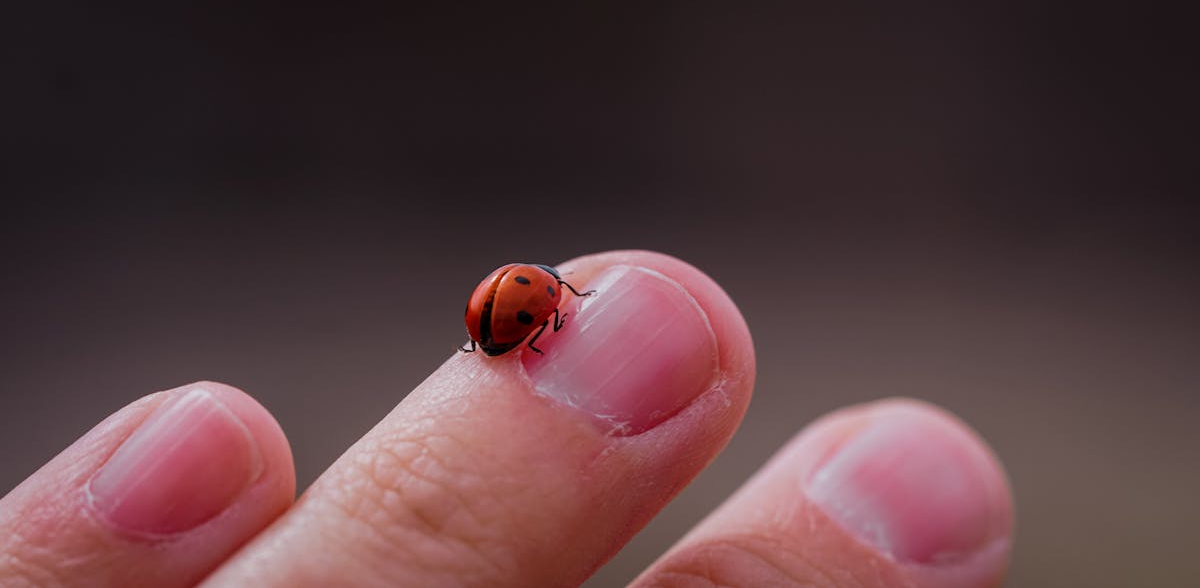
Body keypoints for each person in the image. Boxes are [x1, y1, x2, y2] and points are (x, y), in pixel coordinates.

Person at [0, 250, 1012, 587]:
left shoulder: (530, 300)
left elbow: (519, 315)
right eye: (553, 314)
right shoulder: (541, 300)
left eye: (551, 312)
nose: (555, 314)